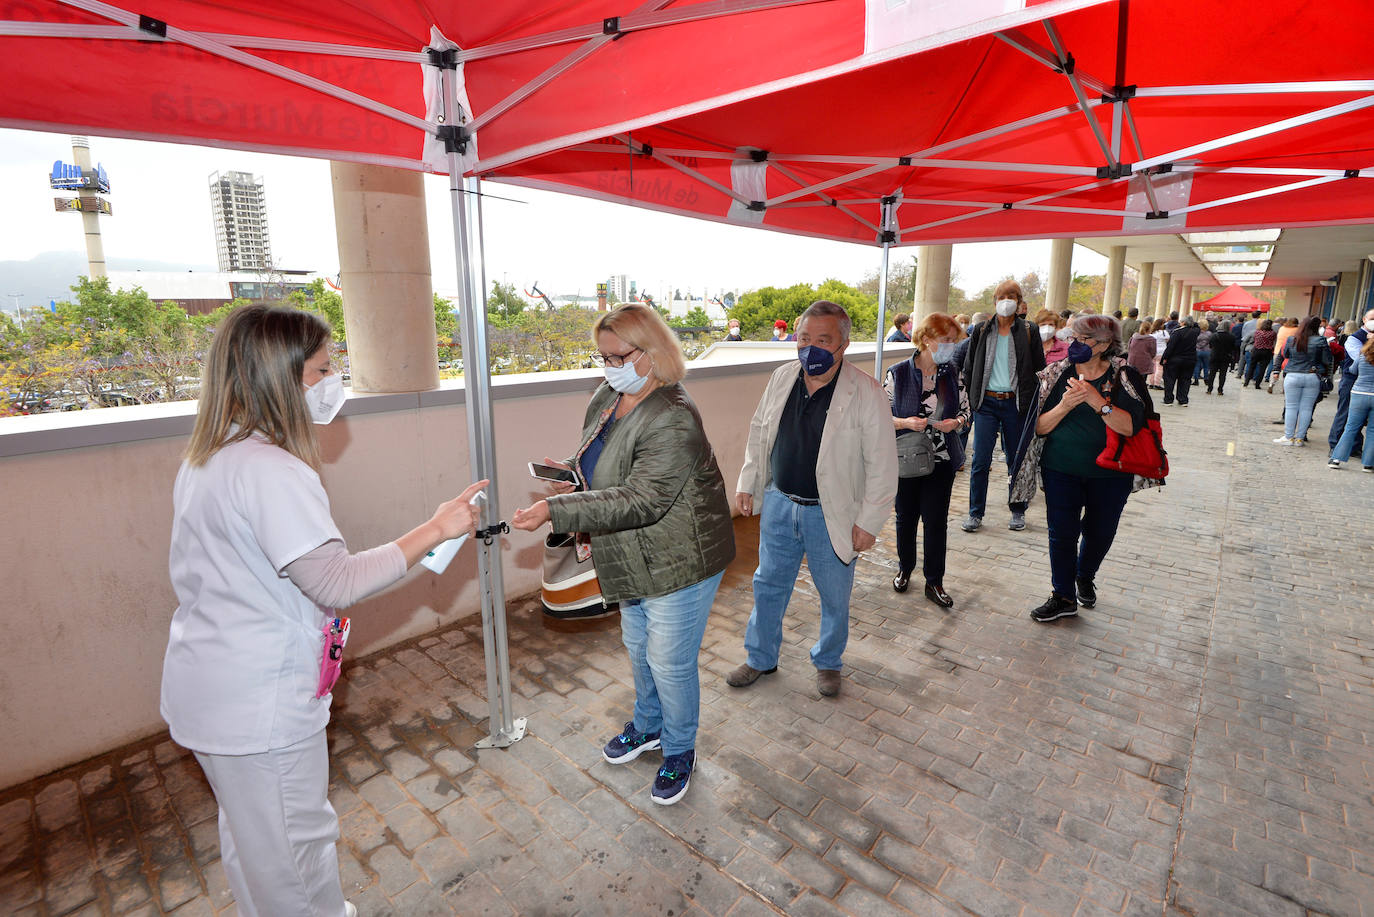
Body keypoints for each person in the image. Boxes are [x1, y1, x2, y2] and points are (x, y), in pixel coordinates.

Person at [161, 305, 487, 917]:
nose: (332, 382)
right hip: (259, 704)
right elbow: (334, 581)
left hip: (214, 689)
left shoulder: (211, 456)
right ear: (276, 379)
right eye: (321, 370)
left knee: (255, 845)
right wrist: (437, 528)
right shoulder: (270, 470)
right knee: (295, 853)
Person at [511, 304, 734, 805]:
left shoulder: (674, 417)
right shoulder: (610, 395)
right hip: (632, 552)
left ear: (652, 353)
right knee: (639, 648)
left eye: (617, 356)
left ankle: (680, 749)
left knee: (670, 660)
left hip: (680, 557)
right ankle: (650, 725)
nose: (608, 366)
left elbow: (644, 498)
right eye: (602, 356)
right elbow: (601, 458)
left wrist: (558, 509)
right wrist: (571, 473)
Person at [727, 300, 896, 698]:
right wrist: (748, 482)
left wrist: (868, 522)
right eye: (804, 338)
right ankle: (760, 656)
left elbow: (883, 465)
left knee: (834, 595)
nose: (811, 347)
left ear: (844, 343)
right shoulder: (782, 377)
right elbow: (759, 432)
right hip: (780, 504)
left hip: (832, 514)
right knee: (768, 585)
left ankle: (828, 661)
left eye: (823, 339)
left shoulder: (866, 392)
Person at [1009, 314, 1160, 622]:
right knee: (1061, 532)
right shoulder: (1055, 374)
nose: (1074, 344)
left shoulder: (1125, 377)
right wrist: (1064, 405)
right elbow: (1037, 428)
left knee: (1100, 531)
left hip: (1111, 473)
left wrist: (1097, 401)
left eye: (1083, 339)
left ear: (1104, 343)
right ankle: (1063, 595)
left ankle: (1084, 574)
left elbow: (1131, 428)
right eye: (1073, 337)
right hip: (1060, 468)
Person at [885, 313, 969, 607]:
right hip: (906, 457)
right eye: (946, 341)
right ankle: (905, 568)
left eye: (953, 341)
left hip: (942, 457)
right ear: (926, 339)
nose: (950, 347)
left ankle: (934, 581)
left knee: (936, 521)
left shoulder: (953, 373)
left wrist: (955, 423)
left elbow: (966, 412)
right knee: (905, 517)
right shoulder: (898, 373)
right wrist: (904, 422)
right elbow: (881, 416)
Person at [960, 280, 1045, 533]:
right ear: (994, 300)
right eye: (1001, 296)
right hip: (986, 404)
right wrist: (974, 399)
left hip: (1015, 405)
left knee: (1016, 460)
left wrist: (1032, 402)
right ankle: (975, 513)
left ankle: (1018, 510)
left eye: (1012, 296)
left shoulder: (1029, 330)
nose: (1006, 300)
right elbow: (969, 366)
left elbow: (1039, 369)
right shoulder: (981, 330)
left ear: (1019, 302)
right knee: (980, 461)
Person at [1273, 315, 1333, 446]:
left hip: (1293, 375)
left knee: (1291, 407)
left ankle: (1289, 437)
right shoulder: (1321, 340)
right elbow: (1327, 360)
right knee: (1307, 408)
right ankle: (1300, 438)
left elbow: (1286, 355)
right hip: (1312, 376)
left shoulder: (1292, 339)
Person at [1328, 308, 1374, 457]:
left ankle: (1355, 447)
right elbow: (1360, 360)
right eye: (1372, 318)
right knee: (1345, 412)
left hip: (1367, 383)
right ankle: (1334, 445)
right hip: (1351, 380)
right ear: (1364, 320)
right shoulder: (1354, 338)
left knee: (1360, 418)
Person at [1161, 317, 1199, 406]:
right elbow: (1198, 326)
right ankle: (1183, 399)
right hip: (1189, 359)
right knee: (1185, 380)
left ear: (1183, 323)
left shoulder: (1177, 333)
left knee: (1170, 379)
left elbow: (1170, 347)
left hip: (1175, 359)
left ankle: (1168, 399)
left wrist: (1165, 358)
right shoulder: (1195, 332)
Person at [1268, 317, 1300, 393]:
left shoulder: (1282, 328)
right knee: (1286, 370)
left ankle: (1271, 384)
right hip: (1288, 351)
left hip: (1277, 349)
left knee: (1275, 368)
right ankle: (1284, 388)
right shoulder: (1297, 330)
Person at [1206, 321, 1237, 395]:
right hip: (1225, 357)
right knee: (1223, 374)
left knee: (1212, 373)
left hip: (1215, 356)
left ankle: (1209, 389)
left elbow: (1210, 345)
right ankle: (1220, 390)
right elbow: (1233, 348)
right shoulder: (1232, 336)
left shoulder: (1214, 335)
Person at [1247, 320, 1276, 388]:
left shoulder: (1257, 332)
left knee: (1252, 366)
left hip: (1256, 350)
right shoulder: (1273, 333)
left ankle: (1246, 382)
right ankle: (1257, 384)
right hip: (1267, 351)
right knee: (1262, 369)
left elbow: (1255, 339)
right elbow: (1273, 341)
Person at [1192, 319, 1212, 385]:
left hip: (1197, 350)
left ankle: (1196, 379)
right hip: (1206, 351)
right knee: (1206, 366)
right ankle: (1206, 378)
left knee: (1197, 365)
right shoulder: (1209, 333)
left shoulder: (1196, 333)